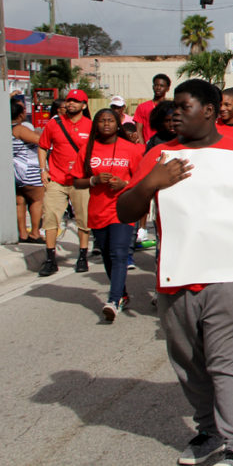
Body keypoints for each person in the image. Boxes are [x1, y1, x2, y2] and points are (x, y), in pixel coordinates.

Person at [117, 79, 233, 466]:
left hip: (230, 276)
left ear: (210, 111)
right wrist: (152, 183)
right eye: (173, 107)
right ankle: (209, 431)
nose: (174, 113)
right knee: (188, 360)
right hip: (176, 275)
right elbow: (125, 211)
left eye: (184, 106)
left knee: (227, 358)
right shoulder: (159, 155)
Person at [71, 108, 144, 321]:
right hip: (98, 210)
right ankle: (121, 293)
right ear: (95, 124)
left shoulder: (130, 149)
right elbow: (76, 180)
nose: (105, 124)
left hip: (123, 208)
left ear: (117, 124)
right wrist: (93, 181)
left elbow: (142, 180)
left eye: (110, 120)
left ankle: (113, 301)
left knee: (119, 253)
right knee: (107, 254)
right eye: (101, 120)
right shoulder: (87, 148)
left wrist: (125, 184)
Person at [36, 89, 92, 276]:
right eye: (69, 100)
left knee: (83, 219)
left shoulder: (91, 126)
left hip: (80, 180)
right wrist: (43, 169)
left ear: (84, 105)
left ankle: (82, 255)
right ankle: (50, 258)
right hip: (57, 179)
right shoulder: (54, 124)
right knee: (50, 217)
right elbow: (43, 146)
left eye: (76, 101)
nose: (71, 104)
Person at [12, 100, 45, 243]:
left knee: (20, 202)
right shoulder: (19, 128)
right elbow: (40, 140)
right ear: (20, 115)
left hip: (15, 171)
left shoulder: (3, 127)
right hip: (29, 170)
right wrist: (37, 132)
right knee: (37, 200)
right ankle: (35, 232)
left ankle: (22, 233)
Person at [134, 73, 171, 143]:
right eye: (156, 85)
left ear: (168, 89)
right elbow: (139, 130)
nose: (158, 88)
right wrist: (142, 147)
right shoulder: (142, 107)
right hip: (149, 145)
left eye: (162, 86)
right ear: (153, 86)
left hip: (167, 145)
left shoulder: (171, 106)